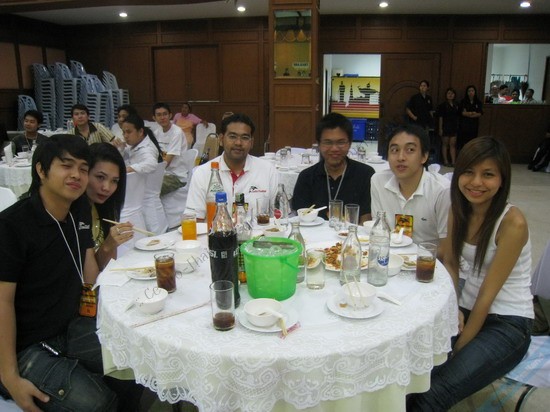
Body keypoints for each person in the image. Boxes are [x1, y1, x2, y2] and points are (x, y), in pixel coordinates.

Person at [409, 136, 533, 410]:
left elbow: (487, 296)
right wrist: (453, 309)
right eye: (468, 172)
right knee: (410, 377)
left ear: (502, 179)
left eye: (488, 174)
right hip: (466, 308)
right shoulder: (459, 209)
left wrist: (459, 345)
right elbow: (451, 263)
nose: (476, 182)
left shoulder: (513, 223)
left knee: (432, 393)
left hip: (507, 323)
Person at [0, 135, 121, 410]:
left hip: (71, 327)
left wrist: (107, 245)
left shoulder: (79, 211)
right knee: (98, 403)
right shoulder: (12, 225)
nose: (76, 175)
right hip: (26, 345)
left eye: (83, 168)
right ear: (41, 170)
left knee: (131, 364)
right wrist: (9, 377)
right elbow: (2, 302)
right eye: (66, 165)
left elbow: (89, 278)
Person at [184, 113, 278, 219]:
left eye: (245, 138)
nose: (238, 143)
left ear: (251, 142)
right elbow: (194, 218)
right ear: (221, 139)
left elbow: (278, 217)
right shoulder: (203, 173)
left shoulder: (268, 170)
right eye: (232, 136)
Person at [370, 124, 450, 247]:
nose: (401, 157)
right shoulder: (378, 181)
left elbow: (446, 248)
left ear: (424, 156)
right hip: (390, 255)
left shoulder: (442, 190)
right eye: (395, 150)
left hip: (429, 257)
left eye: (410, 150)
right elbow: (379, 232)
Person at [292, 112, 375, 223]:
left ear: (350, 143)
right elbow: (301, 218)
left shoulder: (365, 174)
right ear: (319, 144)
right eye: (328, 142)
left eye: (341, 142)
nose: (334, 148)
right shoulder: (306, 177)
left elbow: (366, 219)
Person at [87, 143, 132, 270]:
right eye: (100, 177)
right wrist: (107, 246)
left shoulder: (104, 208)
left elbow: (108, 266)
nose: (106, 188)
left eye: (114, 181)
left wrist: (111, 245)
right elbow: (84, 276)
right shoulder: (72, 216)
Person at [151, 102, 188, 196]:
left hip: (176, 176)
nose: (162, 117)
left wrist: (153, 172)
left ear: (170, 115)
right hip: (162, 173)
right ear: (154, 118)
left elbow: (167, 161)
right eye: (159, 115)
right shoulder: (156, 132)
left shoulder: (177, 132)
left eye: (165, 114)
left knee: (151, 188)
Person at [435, 87, 459, 166]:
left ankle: (453, 162)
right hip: (445, 126)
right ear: (446, 95)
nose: (450, 95)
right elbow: (440, 118)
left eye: (452, 93)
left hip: (453, 127)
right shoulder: (442, 105)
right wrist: (440, 128)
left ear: (454, 95)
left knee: (452, 144)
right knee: (445, 144)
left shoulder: (456, 105)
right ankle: (445, 161)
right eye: (448, 93)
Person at [458, 85, 483, 151]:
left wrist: (469, 113)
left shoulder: (478, 102)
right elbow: (462, 113)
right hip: (464, 124)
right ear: (467, 92)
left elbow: (480, 113)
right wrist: (472, 113)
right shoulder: (463, 101)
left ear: (475, 92)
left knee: (473, 141)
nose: (471, 92)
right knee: (464, 141)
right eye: (469, 91)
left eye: (472, 91)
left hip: (474, 124)